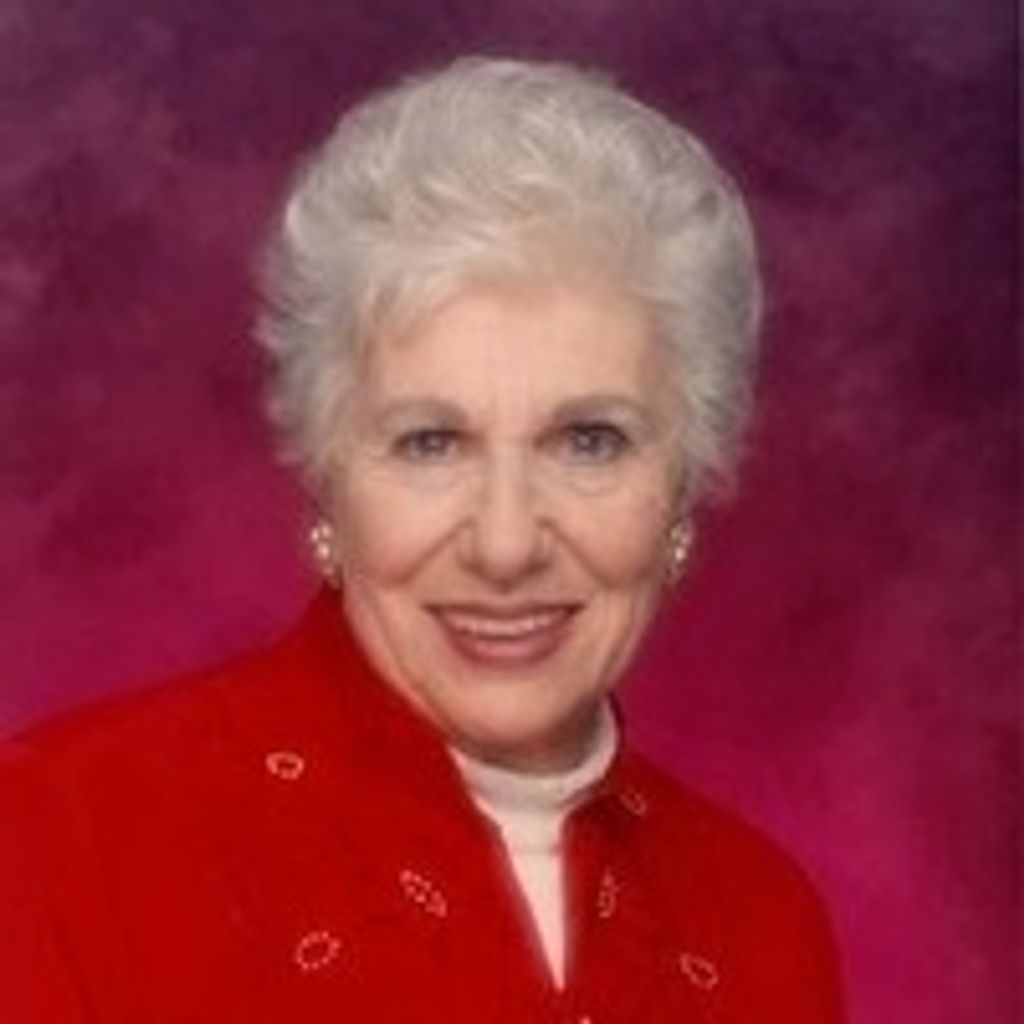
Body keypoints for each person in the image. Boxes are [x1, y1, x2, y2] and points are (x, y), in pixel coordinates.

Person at [0, 57, 845, 1022]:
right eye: (430, 443)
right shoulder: (55, 836)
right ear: (328, 477)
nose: (505, 545)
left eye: (589, 440)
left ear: (683, 486)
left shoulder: (759, 921)